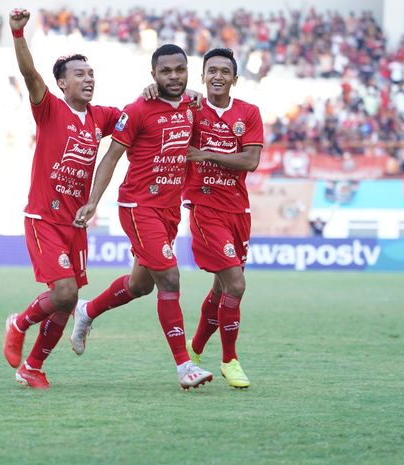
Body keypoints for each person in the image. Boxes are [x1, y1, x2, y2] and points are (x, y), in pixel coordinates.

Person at [71, 44, 213, 390]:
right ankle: (184, 367)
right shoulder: (137, 110)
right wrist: (92, 202)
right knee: (170, 280)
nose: (174, 76)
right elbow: (111, 156)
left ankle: (87, 311)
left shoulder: (194, 106)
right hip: (138, 207)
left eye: (179, 70)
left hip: (168, 210)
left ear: (187, 71)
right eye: (166, 71)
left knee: (141, 285)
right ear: (154, 75)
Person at [1, 8, 121, 389]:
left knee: (67, 302)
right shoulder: (49, 107)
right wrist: (18, 34)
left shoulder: (99, 117)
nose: (88, 80)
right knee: (65, 292)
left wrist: (159, 94)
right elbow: (29, 74)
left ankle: (32, 367)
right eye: (80, 75)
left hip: (76, 224)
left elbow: (135, 119)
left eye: (91, 74)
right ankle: (18, 323)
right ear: (62, 83)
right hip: (43, 219)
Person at [183, 48, 264, 388]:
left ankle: (196, 348)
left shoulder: (249, 112)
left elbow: (250, 161)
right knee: (236, 284)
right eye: (211, 70)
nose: (217, 75)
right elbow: (163, 97)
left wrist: (205, 154)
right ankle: (230, 360)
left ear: (234, 78)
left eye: (224, 71)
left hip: (238, 211)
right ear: (202, 76)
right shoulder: (192, 108)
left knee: (220, 289)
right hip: (204, 209)